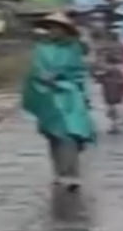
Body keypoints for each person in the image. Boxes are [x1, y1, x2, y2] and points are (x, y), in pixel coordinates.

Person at [21, 12, 95, 191]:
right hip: (48, 96)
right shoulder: (41, 48)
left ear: (65, 30)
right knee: (53, 135)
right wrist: (43, 77)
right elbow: (35, 71)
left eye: (57, 27)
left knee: (70, 133)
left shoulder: (74, 48)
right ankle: (59, 172)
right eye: (50, 27)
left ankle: (72, 173)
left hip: (69, 95)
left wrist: (65, 79)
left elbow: (79, 72)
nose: (53, 31)